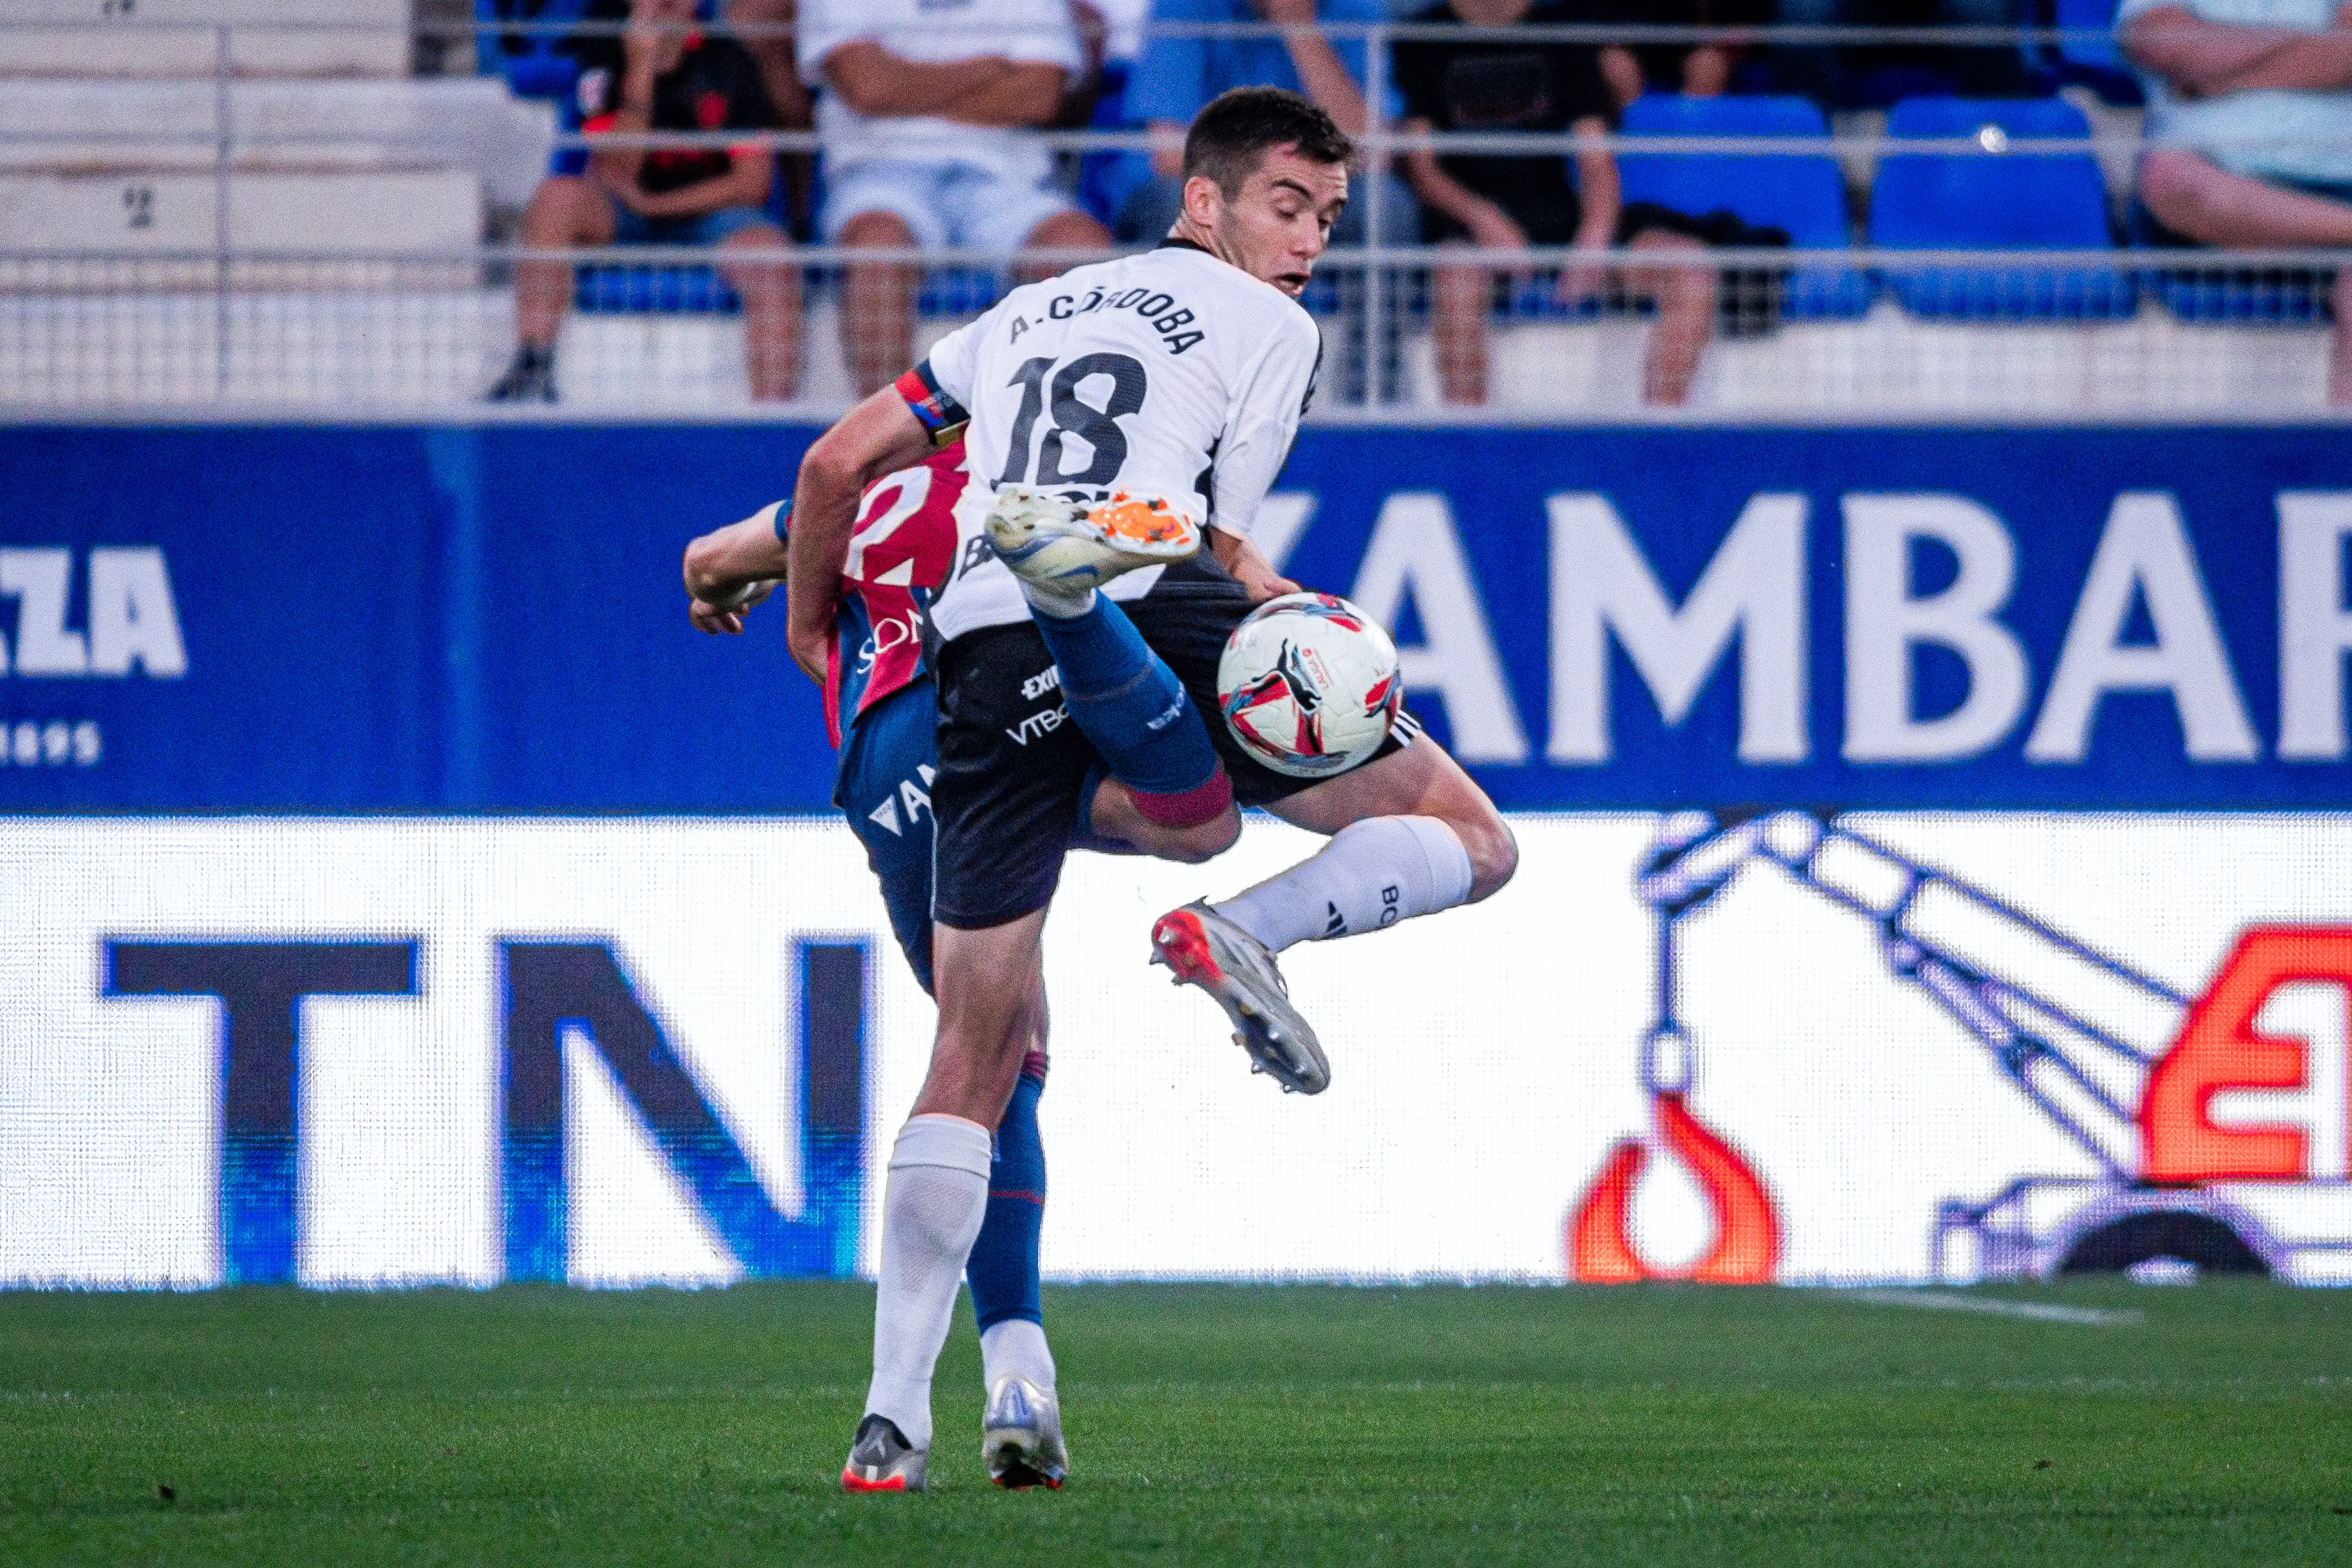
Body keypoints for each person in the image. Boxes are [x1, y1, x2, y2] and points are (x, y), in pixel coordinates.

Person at [779, 85, 1517, 1493]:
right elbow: (1223, 547)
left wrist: (813, 621)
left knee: (975, 1057)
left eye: (1329, 219)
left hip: (971, 657)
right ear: (1205, 203)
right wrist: (1306, 614)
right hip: (1157, 597)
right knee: (1466, 840)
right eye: (1288, 207)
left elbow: (832, 463)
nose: (1310, 243)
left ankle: (890, 1424)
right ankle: (1256, 927)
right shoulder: (1275, 328)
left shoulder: (1024, 315)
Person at [679, 443, 1071, 1491]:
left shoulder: (861, 496)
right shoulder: (1053, 482)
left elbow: (707, 558)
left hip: (886, 764)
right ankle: (1011, 1377)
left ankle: (896, 1418)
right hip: (1007, 712)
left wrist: (736, 594)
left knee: (983, 1046)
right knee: (999, 1049)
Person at [1393, 0, 1780, 406]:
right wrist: (1481, 217)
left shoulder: (1563, 29)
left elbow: (1595, 155)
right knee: (1456, 274)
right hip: (1469, 226)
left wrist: (1593, 240)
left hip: (1559, 214)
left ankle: (1657, 438)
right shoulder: (1424, 35)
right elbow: (1423, 167)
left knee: (1692, 268)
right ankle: (1468, 446)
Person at [796, 0, 1115, 397]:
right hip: (880, 170)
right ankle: (889, 451)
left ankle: (1059, 449)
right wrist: (986, 70)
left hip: (1006, 179)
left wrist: (902, 85)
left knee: (1082, 250)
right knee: (877, 247)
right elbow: (867, 89)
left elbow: (1039, 97)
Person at [488, 0, 800, 404]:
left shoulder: (729, 58)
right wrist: (640, 70)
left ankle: (772, 421)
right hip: (621, 208)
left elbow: (751, 184)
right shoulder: (603, 52)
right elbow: (617, 167)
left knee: (772, 260)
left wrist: (657, 205)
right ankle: (532, 366)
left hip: (712, 214)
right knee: (556, 199)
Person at [2122, 0, 2352, 403]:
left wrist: (2220, 69)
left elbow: (2347, 51)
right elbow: (2169, 48)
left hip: (2342, 175)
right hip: (2221, 192)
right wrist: (2315, 51)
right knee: (2168, 176)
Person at [1117, 0, 1416, 245]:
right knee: (1182, 201)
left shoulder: (1356, 10)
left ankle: (1365, 321)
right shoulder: (1183, 7)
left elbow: (1372, 152)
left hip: (1309, 191)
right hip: (1219, 187)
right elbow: (1171, 156)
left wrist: (1300, 29)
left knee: (1384, 204)